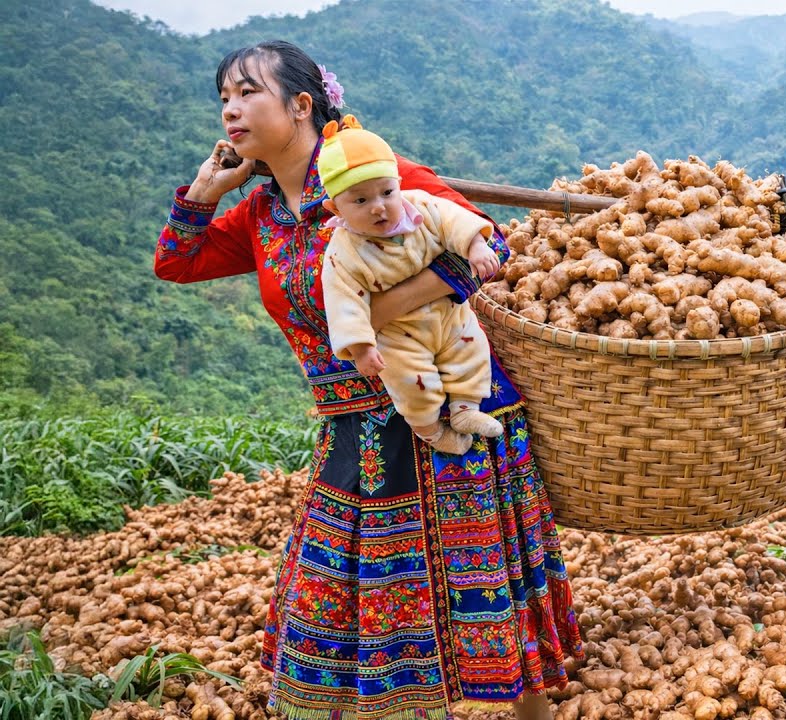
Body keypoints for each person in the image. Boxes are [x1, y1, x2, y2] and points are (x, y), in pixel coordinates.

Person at [153, 40, 580, 720]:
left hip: (449, 404)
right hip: (353, 426)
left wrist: (376, 312)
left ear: (300, 106)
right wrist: (207, 189)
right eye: (223, 99)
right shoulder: (262, 217)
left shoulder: (376, 176)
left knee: (487, 594)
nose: (231, 110)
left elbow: (486, 247)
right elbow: (176, 263)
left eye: (246, 93)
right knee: (345, 603)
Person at [318, 114, 503, 455]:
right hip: (398, 334)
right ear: (335, 207)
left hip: (450, 315)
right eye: (360, 201)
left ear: (398, 184)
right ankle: (431, 431)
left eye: (387, 192)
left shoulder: (421, 205)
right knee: (410, 382)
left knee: (472, 348)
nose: (379, 207)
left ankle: (465, 410)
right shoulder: (342, 252)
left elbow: (454, 220)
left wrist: (476, 245)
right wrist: (360, 348)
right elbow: (343, 299)